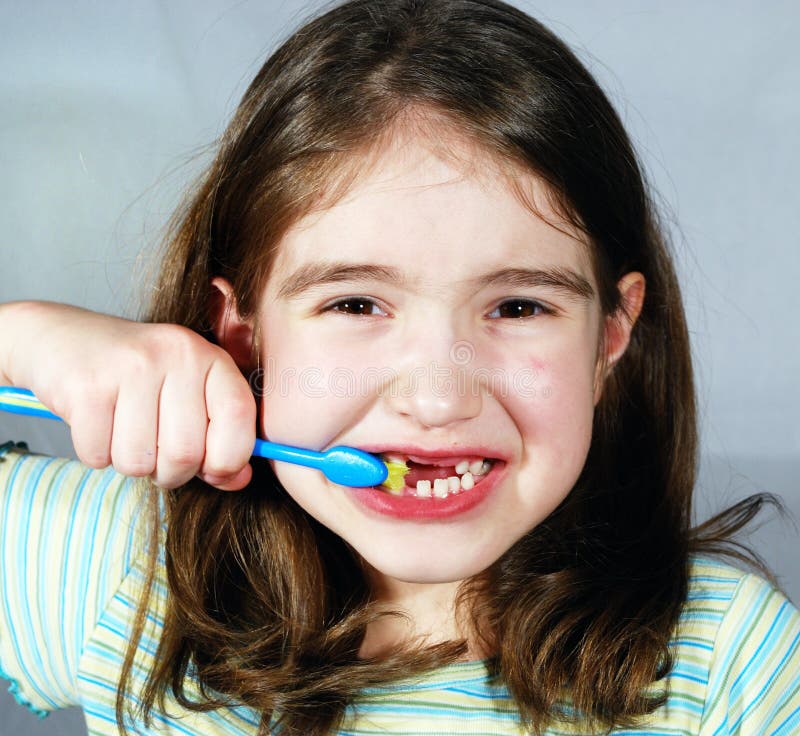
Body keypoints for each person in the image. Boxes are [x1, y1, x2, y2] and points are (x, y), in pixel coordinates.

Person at [1, 0, 798, 734]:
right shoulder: (127, 570)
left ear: (609, 338)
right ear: (244, 336)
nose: (438, 399)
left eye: (518, 308)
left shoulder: (728, 661)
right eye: (355, 305)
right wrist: (28, 338)